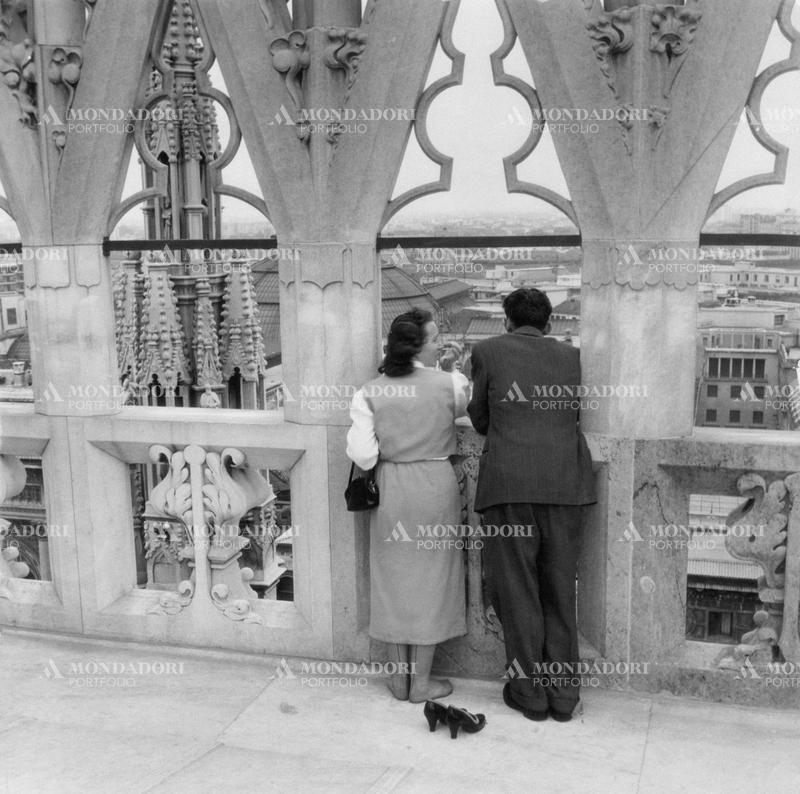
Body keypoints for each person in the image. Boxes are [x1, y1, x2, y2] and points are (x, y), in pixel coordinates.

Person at [467, 288, 596, 722]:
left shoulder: (487, 350)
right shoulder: (573, 357)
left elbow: (480, 418)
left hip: (509, 487)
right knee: (560, 590)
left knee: (518, 593)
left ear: (506, 320)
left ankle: (530, 695)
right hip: (565, 487)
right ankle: (564, 698)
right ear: (549, 323)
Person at [347, 308, 470, 702]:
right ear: (419, 345)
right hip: (435, 486)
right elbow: (465, 406)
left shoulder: (368, 391)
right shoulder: (449, 384)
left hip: (392, 487)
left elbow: (363, 456)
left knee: (393, 580)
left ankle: (399, 681)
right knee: (434, 581)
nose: (438, 344)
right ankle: (422, 684)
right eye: (434, 339)